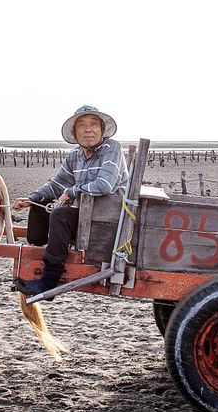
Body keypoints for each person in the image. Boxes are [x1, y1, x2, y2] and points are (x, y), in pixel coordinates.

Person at [13, 105, 130, 296]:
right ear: (75, 133)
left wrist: (70, 192)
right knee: (41, 205)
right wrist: (31, 198)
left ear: (102, 129)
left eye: (93, 124)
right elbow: (56, 184)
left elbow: (104, 185)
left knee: (61, 214)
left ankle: (49, 280)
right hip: (86, 215)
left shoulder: (112, 148)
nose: (88, 129)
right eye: (81, 125)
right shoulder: (75, 156)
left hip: (108, 220)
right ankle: (38, 252)